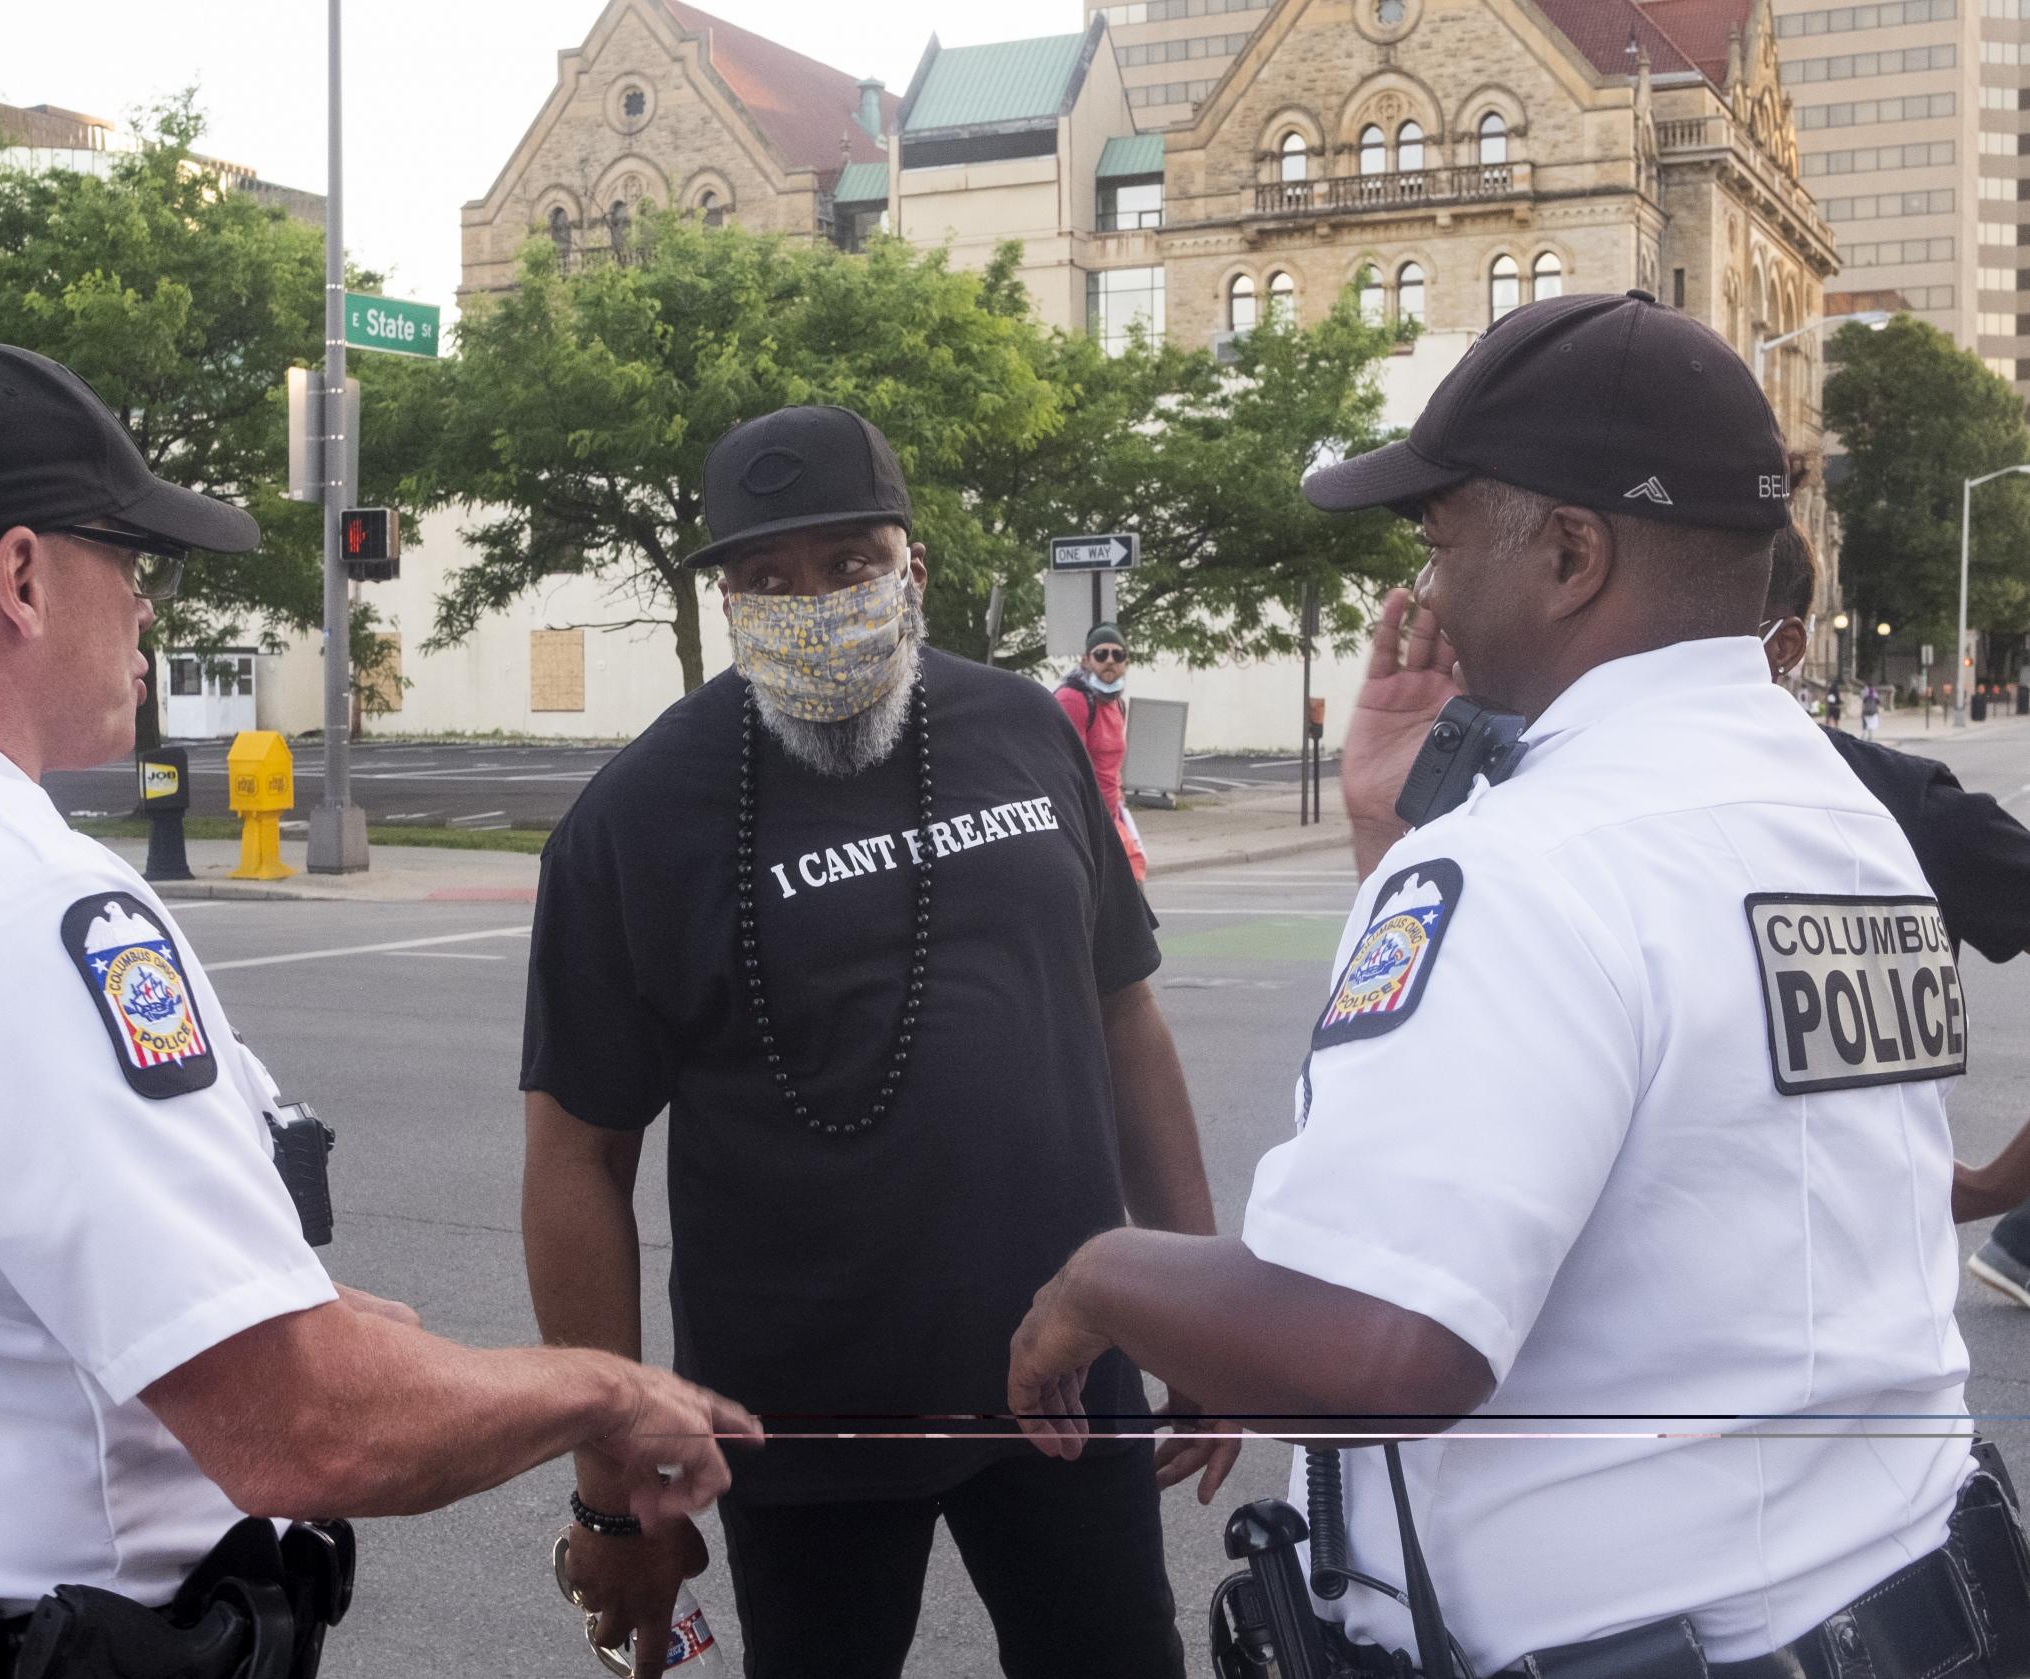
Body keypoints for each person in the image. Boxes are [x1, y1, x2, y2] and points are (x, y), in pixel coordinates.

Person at [0, 342, 756, 1679]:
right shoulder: (14, 903)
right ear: (22, 576)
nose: (145, 610)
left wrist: (259, 1301)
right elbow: (303, 1430)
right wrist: (605, 1388)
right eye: (131, 563)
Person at [1010, 291, 2021, 1679]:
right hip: (1906, 1595)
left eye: (1439, 540)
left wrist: (1098, 1273)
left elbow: (1386, 1350)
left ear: (1568, 550)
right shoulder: (1837, 815)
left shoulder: (1534, 859)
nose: (1424, 593)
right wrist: (1396, 827)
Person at [523, 404, 1228, 1679]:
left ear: (913, 564)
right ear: (728, 599)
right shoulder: (635, 820)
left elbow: (1124, 1011)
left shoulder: (1026, 729)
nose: (814, 599)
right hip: (799, 1411)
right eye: (766, 575)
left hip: (1068, 1367)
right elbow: (577, 1157)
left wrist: (1195, 1297)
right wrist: (612, 1473)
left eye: (849, 561)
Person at [1762, 524, 2030, 1284]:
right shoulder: (1541, 803)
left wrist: (1996, 1185)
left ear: (1785, 646)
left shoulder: (1898, 806)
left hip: (1862, 1336)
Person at [1054, 622, 1148, 881]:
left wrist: (1118, 805)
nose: (1110, 661)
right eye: (1101, 654)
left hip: (1111, 815)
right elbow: (1067, 767)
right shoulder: (1073, 700)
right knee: (1127, 888)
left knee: (1132, 882)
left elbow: (1112, 767)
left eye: (1118, 655)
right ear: (1086, 660)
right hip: (1084, 819)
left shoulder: (1117, 704)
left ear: (1126, 662)